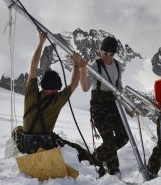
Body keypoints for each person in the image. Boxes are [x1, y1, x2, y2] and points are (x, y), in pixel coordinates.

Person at [21, 30, 101, 170]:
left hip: (26, 142)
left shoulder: (31, 93)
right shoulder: (56, 101)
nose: (58, 91)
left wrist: (41, 42)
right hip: (43, 144)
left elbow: (33, 65)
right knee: (78, 150)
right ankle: (98, 168)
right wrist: (76, 65)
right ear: (54, 89)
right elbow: (74, 84)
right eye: (57, 89)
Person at [80, 36, 128, 176]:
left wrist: (127, 107)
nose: (107, 56)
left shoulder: (118, 66)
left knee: (123, 137)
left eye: (110, 54)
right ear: (101, 51)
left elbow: (119, 87)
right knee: (108, 139)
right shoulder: (95, 66)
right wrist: (83, 70)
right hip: (99, 106)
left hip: (113, 105)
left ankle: (98, 155)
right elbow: (85, 87)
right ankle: (114, 172)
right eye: (104, 53)